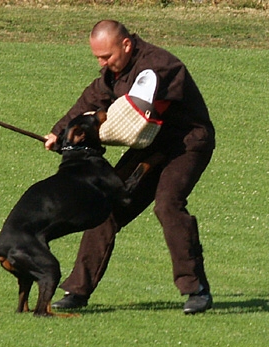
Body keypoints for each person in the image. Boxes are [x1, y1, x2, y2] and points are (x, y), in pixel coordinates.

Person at [44, 20, 215, 314]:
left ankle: (195, 289)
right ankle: (77, 291)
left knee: (168, 205)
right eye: (98, 57)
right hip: (149, 147)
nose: (102, 63)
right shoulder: (115, 72)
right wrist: (60, 133)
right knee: (107, 207)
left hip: (186, 144)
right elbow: (92, 97)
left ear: (126, 45)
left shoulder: (161, 66)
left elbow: (131, 125)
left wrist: (85, 135)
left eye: (106, 56)